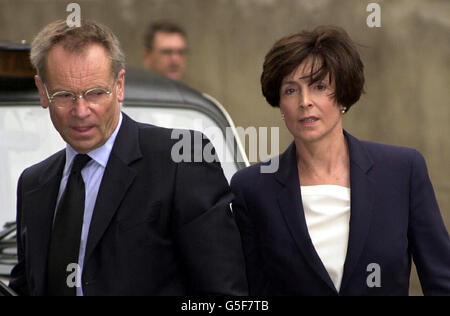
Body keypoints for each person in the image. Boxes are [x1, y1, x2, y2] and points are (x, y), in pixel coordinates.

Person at [9, 20, 247, 296]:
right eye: (64, 95)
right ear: (43, 92)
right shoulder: (34, 184)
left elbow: (224, 294)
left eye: (95, 93)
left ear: (119, 86)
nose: (81, 110)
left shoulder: (182, 159)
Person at [230, 25, 450, 296]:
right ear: (279, 102)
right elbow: (248, 293)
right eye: (290, 90)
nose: (305, 102)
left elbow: (442, 281)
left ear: (343, 95)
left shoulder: (401, 171)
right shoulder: (252, 188)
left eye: (319, 86)